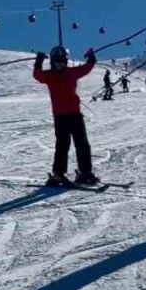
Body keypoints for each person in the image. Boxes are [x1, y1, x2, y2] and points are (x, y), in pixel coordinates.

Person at [34, 45, 100, 186]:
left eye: (62, 62)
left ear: (66, 62)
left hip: (75, 115)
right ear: (52, 62)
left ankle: (85, 173)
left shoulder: (71, 73)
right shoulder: (49, 75)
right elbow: (37, 75)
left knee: (82, 144)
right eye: (56, 62)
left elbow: (86, 68)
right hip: (60, 117)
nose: (59, 65)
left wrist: (91, 58)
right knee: (63, 145)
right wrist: (38, 61)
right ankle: (58, 175)